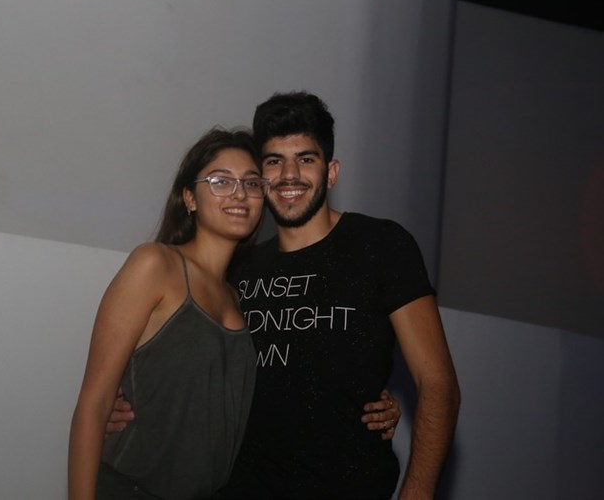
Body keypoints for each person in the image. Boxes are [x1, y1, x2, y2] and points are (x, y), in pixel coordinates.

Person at [219, 92, 461, 499]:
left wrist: (417, 493)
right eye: (274, 161)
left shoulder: (380, 246)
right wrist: (127, 403)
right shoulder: (240, 268)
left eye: (305, 159)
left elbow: (438, 384)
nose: (289, 175)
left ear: (331, 173)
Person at [68, 128, 269, 499]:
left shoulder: (239, 296)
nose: (240, 193)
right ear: (190, 198)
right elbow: (94, 404)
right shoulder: (155, 265)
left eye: (251, 183)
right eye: (221, 181)